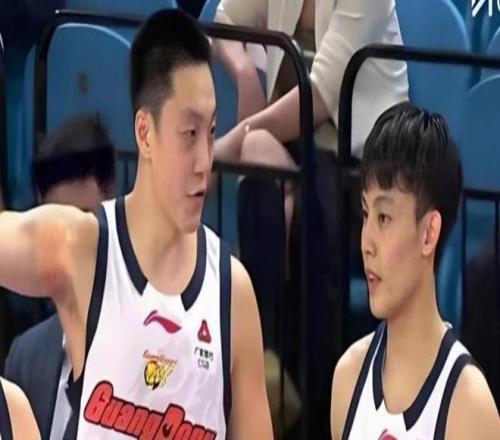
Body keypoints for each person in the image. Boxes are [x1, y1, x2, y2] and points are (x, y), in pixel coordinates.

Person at [0, 9, 272, 439]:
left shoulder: (232, 290)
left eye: (211, 132)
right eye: (189, 134)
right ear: (145, 133)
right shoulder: (82, 248)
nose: (205, 161)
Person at [330, 102, 499, 439]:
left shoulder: (468, 405)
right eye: (365, 214)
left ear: (428, 233)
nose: (366, 242)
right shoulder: (348, 376)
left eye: (384, 218)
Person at [3, 114, 116, 440]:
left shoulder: (154, 346)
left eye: (83, 223)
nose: (70, 251)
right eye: (56, 233)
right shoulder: (26, 356)